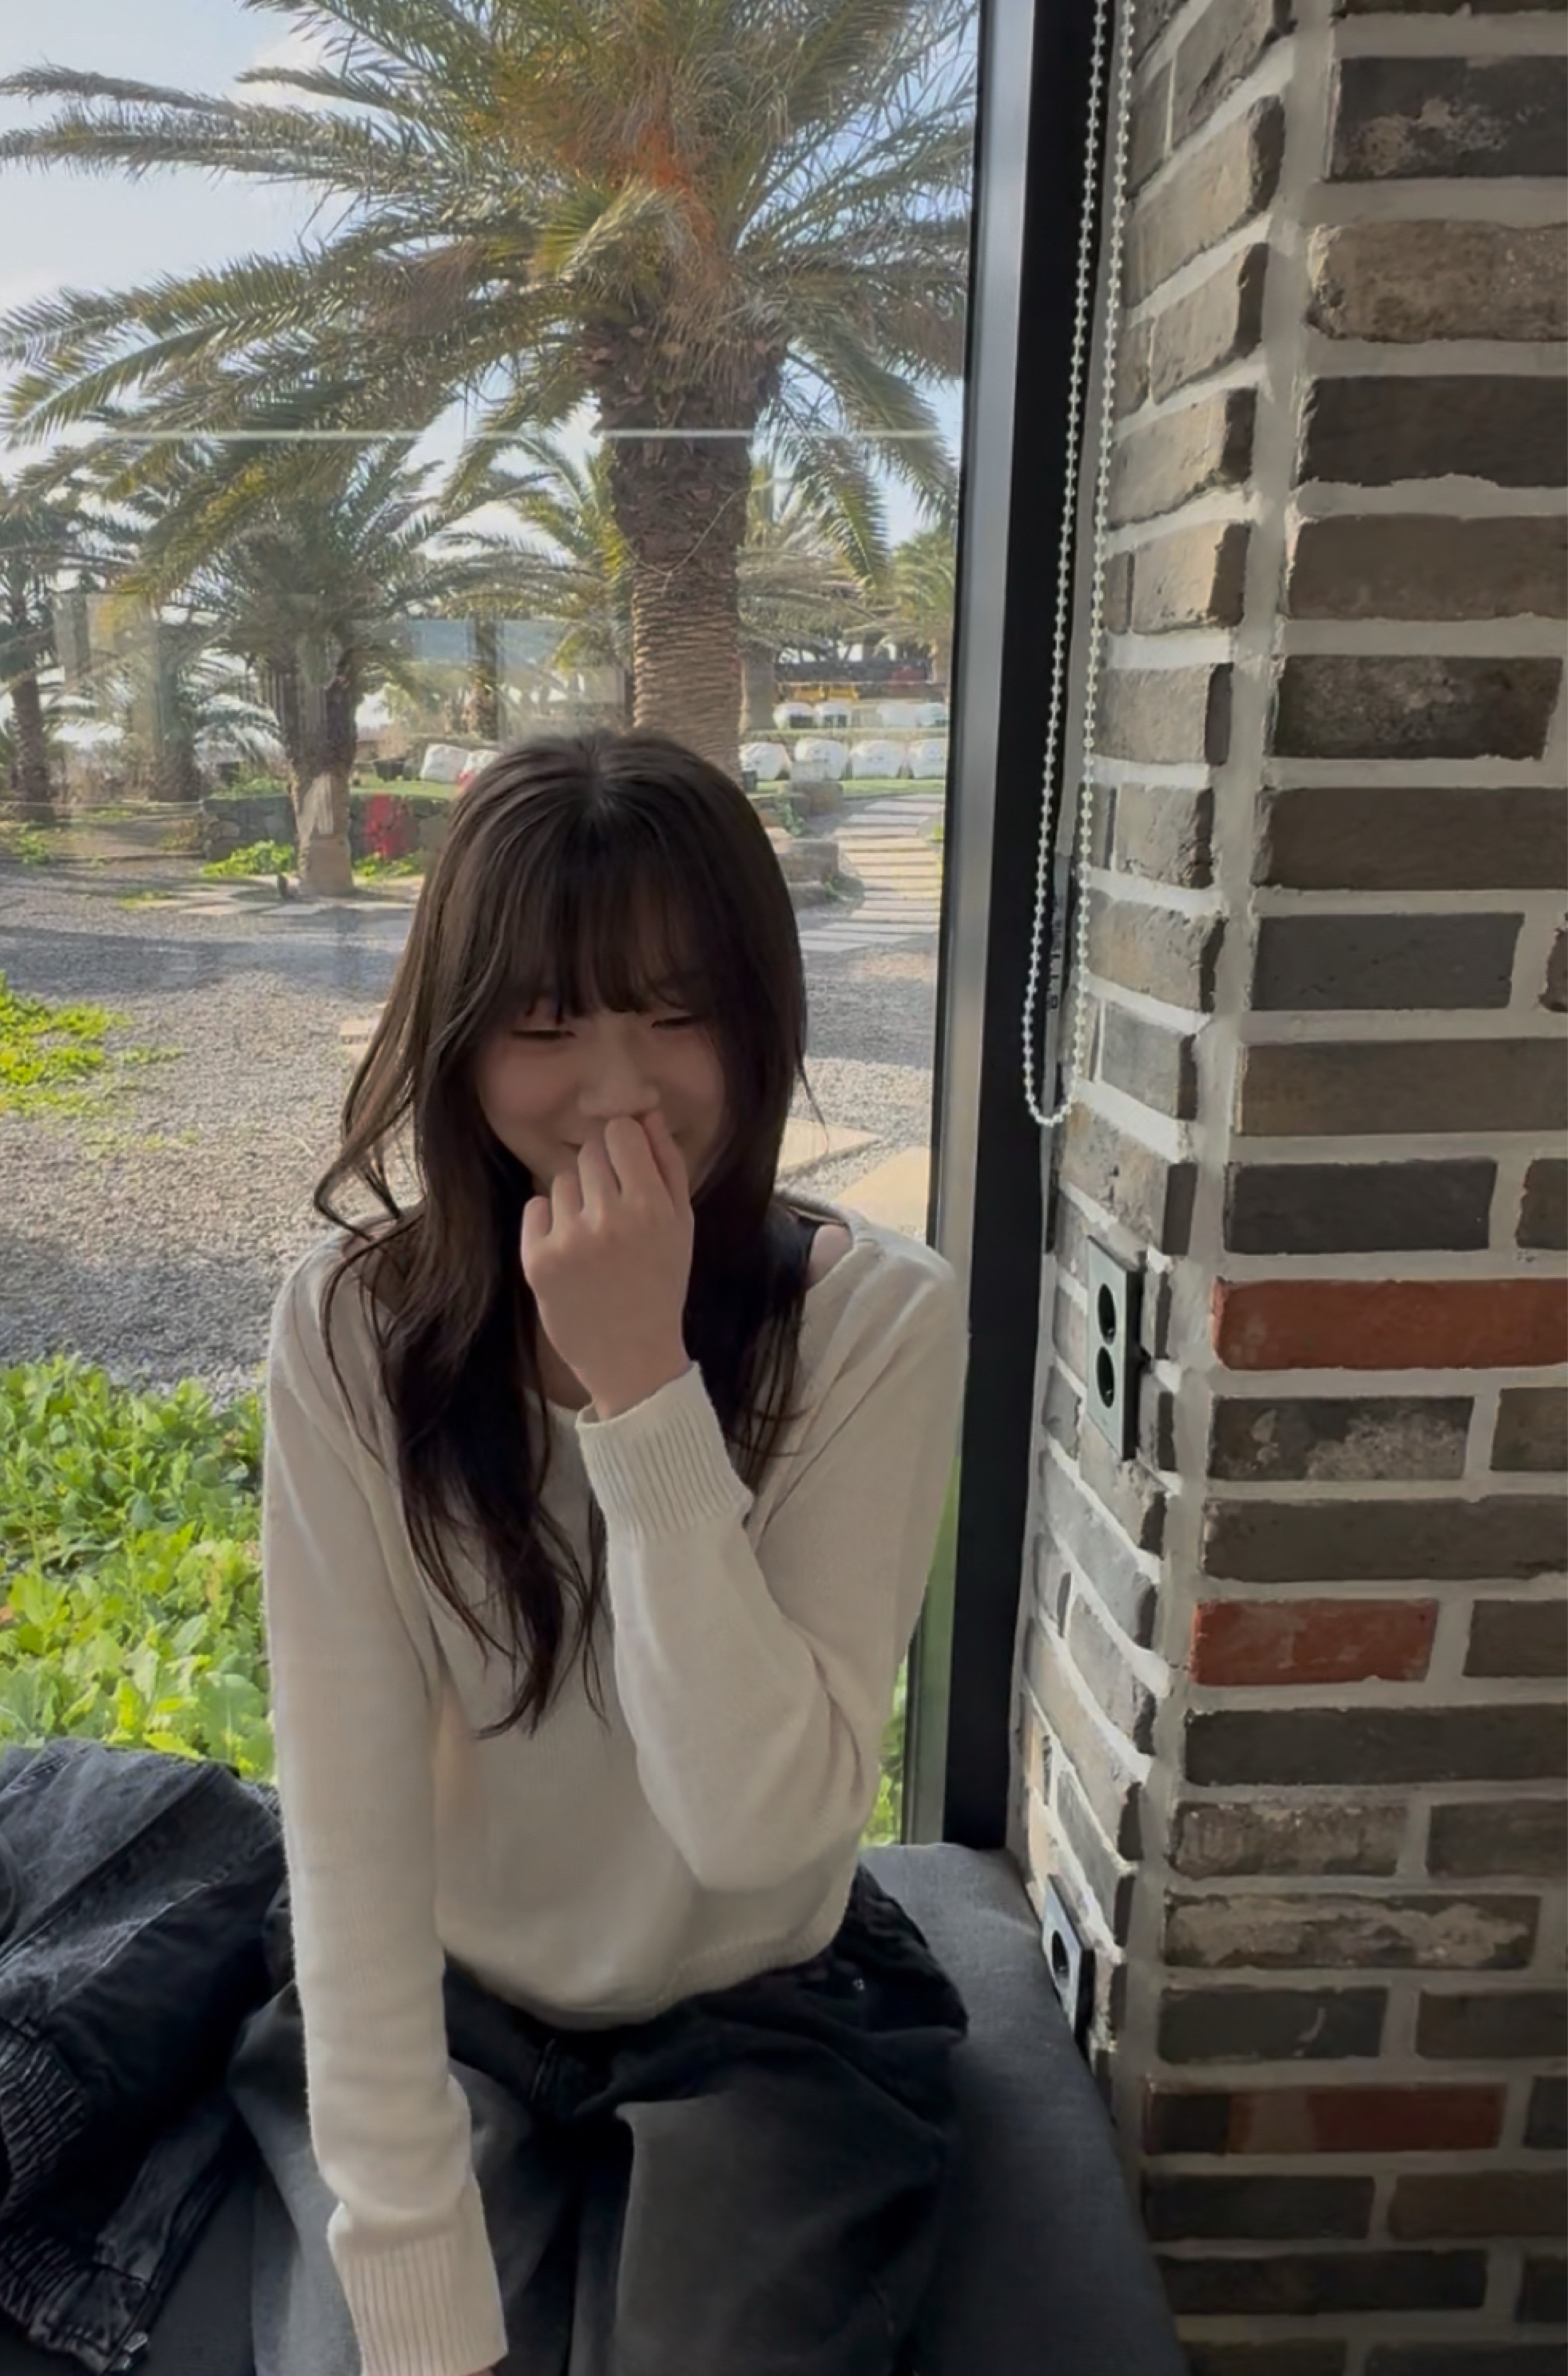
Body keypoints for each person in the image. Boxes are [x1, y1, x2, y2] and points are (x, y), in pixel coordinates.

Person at [250, 728, 968, 2376]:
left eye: (675, 1009)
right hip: (452, 1991)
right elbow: (348, 1831)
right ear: (460, 1038)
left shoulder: (879, 1322)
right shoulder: (350, 1331)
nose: (617, 1086)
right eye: (546, 1020)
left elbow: (756, 1828)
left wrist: (642, 1387)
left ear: (759, 1015)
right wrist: (420, 2303)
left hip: (766, 2008)